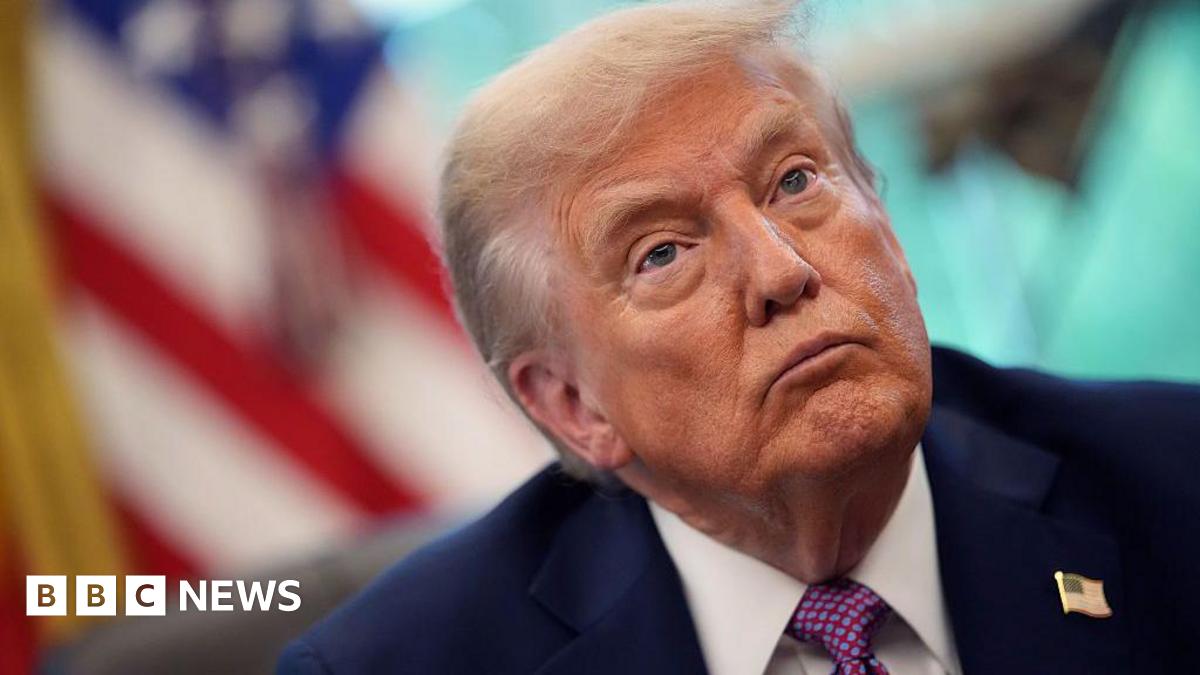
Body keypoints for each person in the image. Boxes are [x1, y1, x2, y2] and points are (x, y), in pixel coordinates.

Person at [277, 2, 1200, 673]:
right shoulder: (404, 665)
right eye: (664, 251)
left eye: (795, 181)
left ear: (883, 215)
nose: (781, 271)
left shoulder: (1175, 481)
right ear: (572, 404)